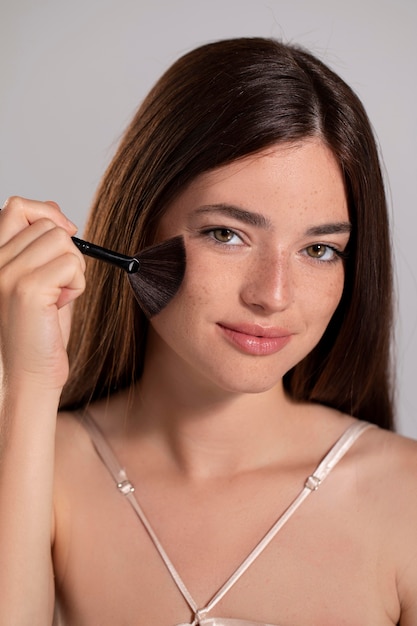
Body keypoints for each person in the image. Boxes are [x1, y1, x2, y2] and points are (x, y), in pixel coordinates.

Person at [0, 36, 416, 626]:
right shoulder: (41, 469)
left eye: (319, 249)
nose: (272, 295)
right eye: (227, 234)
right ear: (140, 223)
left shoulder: (408, 500)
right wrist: (29, 382)